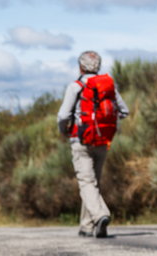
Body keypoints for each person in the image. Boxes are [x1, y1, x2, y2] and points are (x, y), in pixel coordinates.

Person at [57, 50, 129, 238]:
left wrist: (64, 130)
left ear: (80, 66)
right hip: (103, 140)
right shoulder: (107, 86)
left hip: (81, 140)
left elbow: (63, 115)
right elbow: (124, 110)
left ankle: (100, 215)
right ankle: (86, 226)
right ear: (98, 66)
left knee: (86, 182)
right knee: (93, 183)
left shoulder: (76, 86)